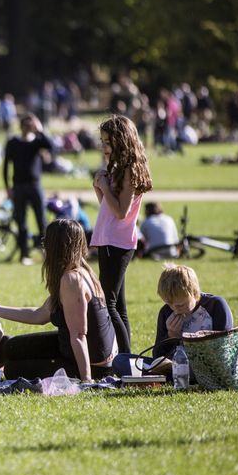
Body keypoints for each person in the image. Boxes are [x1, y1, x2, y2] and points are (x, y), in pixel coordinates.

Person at [0, 220, 118, 382]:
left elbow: (79, 335)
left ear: (55, 246)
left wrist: (86, 380)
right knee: (11, 347)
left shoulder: (72, 280)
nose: (43, 247)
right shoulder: (82, 271)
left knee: (13, 369)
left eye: (45, 241)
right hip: (82, 351)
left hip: (93, 364)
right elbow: (39, 315)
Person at [91, 115, 153, 353]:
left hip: (117, 243)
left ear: (122, 141)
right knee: (118, 305)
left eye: (108, 142)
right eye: (102, 141)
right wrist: (100, 188)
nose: (103, 147)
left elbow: (120, 212)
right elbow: (108, 207)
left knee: (108, 304)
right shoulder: (119, 169)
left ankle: (125, 358)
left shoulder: (129, 171)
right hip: (110, 240)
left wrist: (105, 187)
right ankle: (126, 356)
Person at [112, 264, 233, 377]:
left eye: (181, 304)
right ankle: (177, 375)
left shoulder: (216, 305)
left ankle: (176, 375)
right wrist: (171, 335)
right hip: (174, 366)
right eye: (169, 303)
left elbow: (224, 350)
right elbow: (157, 357)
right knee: (120, 361)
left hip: (209, 367)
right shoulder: (166, 312)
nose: (175, 308)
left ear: (194, 293)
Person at [3, 113, 53, 265]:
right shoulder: (13, 142)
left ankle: (46, 252)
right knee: (21, 222)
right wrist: (7, 187)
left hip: (35, 185)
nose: (27, 128)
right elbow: (6, 166)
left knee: (41, 221)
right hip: (18, 186)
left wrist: (40, 130)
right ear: (21, 126)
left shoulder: (37, 142)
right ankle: (24, 254)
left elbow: (50, 146)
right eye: (25, 125)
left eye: (30, 125)